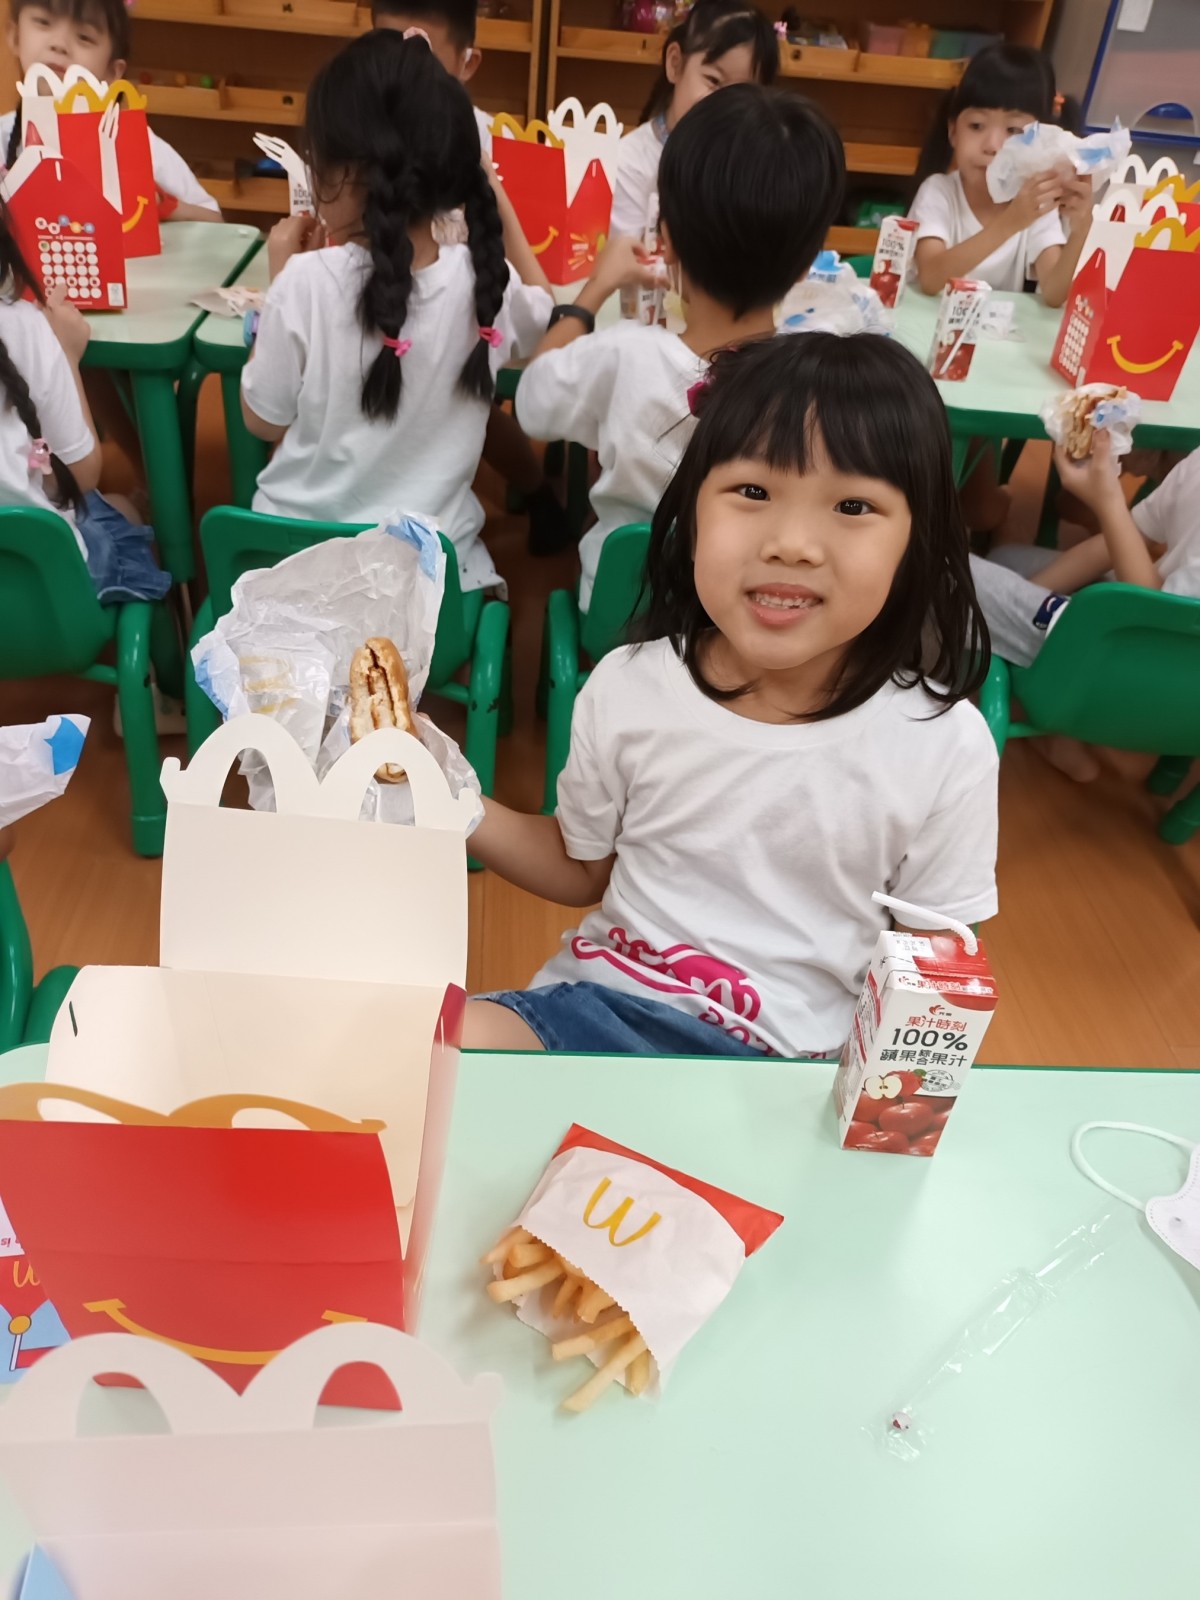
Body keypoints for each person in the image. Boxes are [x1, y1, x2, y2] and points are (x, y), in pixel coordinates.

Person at [459, 333, 999, 1056]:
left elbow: (933, 968)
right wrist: (445, 797)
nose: (792, 542)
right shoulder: (628, 687)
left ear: (916, 541)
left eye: (853, 505)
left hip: (784, 1063)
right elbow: (580, 867)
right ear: (691, 513)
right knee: (418, 1050)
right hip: (598, 1013)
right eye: (753, 492)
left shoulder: (943, 747)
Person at [241, 30, 553, 596]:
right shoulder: (485, 283)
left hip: (300, 576)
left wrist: (279, 278)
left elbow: (264, 420)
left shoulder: (304, 283)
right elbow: (547, 309)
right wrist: (491, 185)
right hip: (428, 587)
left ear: (340, 171)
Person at [514, 83, 844, 609]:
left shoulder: (625, 356)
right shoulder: (819, 386)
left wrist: (593, 290)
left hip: (620, 618)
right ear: (808, 261)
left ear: (664, 239)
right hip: (738, 627)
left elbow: (532, 403)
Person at [971, 434, 1200, 782]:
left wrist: (1108, 500)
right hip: (1164, 657)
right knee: (1007, 561)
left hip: (1158, 676)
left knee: (939, 575)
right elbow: (1119, 541)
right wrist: (1023, 598)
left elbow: (1157, 619)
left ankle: (1050, 711)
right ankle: (1056, 723)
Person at [0, 202, 169, 604]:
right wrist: (67, 354)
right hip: (46, 597)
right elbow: (81, 475)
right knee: (122, 513)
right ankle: (165, 635)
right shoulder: (23, 326)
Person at [909, 43, 1091, 309]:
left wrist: (1081, 230)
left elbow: (1054, 293)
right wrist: (1010, 222)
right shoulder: (938, 192)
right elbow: (931, 277)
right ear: (953, 132)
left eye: (1013, 131)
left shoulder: (1035, 204)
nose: (992, 146)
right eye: (976, 126)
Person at [3, 0, 220, 220]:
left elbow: (214, 220)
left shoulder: (137, 145)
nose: (59, 44)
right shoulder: (3, 137)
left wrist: (161, 205)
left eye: (84, 37)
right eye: (43, 22)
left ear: (113, 71)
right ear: (15, 36)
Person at [610, 0, 779, 242]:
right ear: (675, 64)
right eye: (714, 81)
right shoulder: (629, 165)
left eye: (742, 93)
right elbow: (623, 260)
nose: (725, 105)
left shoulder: (753, 166)